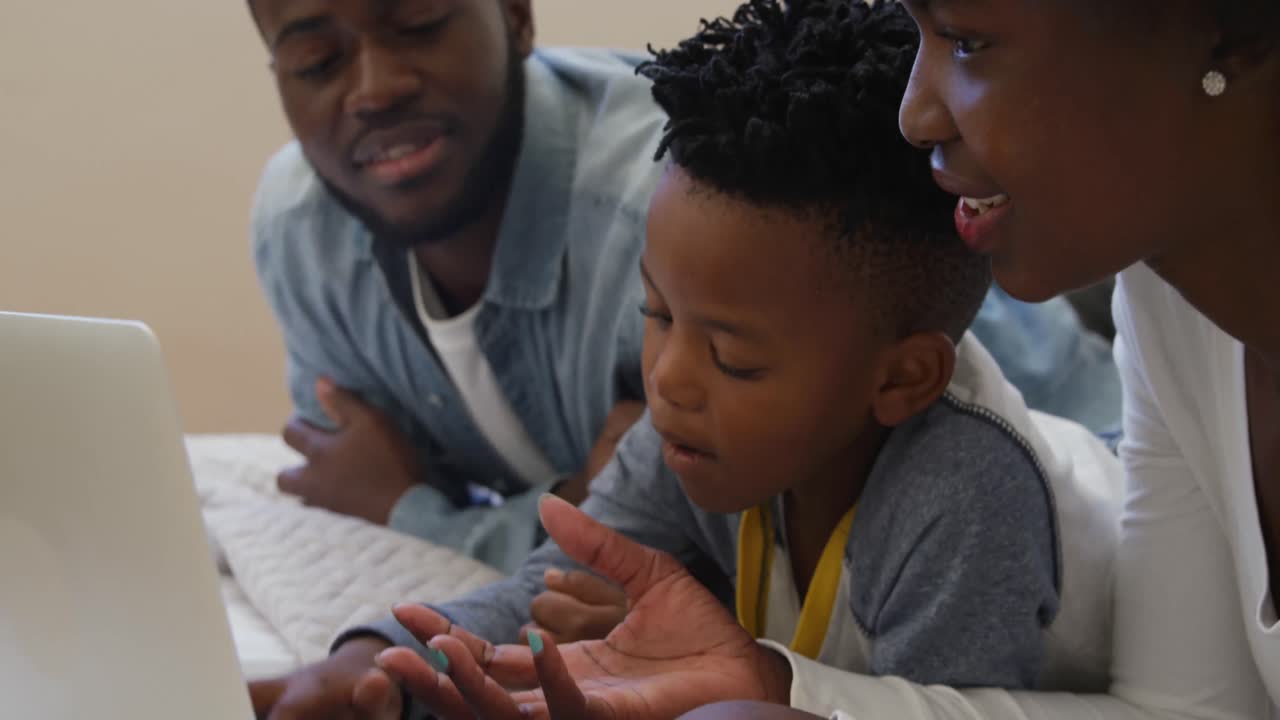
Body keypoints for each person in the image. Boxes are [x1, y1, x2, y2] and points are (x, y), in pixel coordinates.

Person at [246, 2, 1122, 717]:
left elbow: (933, 711)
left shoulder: (964, 496)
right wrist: (381, 664)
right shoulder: (699, 428)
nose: (665, 380)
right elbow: (548, 594)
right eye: (656, 316)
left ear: (900, 379)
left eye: (734, 360)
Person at [510, 0, 1280, 718]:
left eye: (968, 42)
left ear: (1224, 29)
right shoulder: (1166, 307)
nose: (912, 116)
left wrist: (768, 687)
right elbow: (1188, 709)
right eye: (656, 314)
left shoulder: (965, 483)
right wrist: (768, 679)